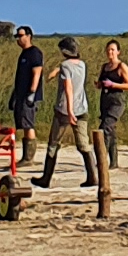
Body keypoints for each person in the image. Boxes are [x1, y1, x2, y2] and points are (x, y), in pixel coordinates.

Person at [40, 37, 90, 187]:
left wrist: (69, 110)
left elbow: (68, 87)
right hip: (82, 108)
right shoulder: (82, 65)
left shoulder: (65, 66)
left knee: (54, 143)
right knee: (84, 144)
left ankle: (46, 178)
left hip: (65, 110)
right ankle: (93, 175)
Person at [98, 41, 128, 171]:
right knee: (111, 130)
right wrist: (99, 84)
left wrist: (113, 85)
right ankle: (113, 162)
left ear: (118, 51)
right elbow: (101, 82)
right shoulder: (104, 67)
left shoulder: (122, 66)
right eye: (108, 50)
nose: (110, 52)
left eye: (113, 50)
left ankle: (101, 157)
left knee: (106, 127)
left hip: (117, 100)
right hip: (105, 99)